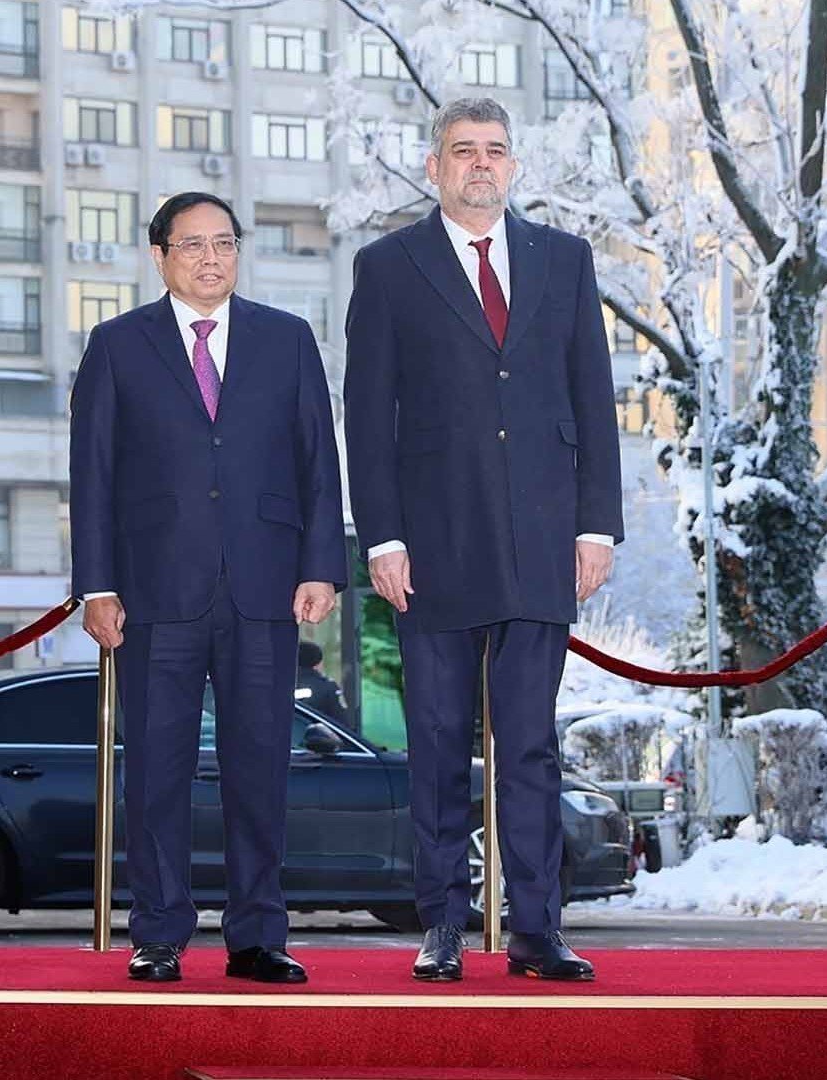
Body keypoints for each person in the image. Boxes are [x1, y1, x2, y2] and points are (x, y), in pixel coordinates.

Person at [344, 98, 624, 983]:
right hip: (432, 547)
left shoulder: (565, 262)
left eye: (495, 152)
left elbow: (593, 396)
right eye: (463, 152)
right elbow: (368, 414)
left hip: (543, 543)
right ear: (435, 167)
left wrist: (596, 523)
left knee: (532, 742)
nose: (480, 165)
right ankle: (441, 925)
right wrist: (381, 537)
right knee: (433, 740)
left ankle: (538, 929)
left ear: (513, 166)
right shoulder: (388, 267)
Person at [70, 191, 345, 985]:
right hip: (155, 592)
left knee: (260, 766)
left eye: (223, 242)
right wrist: (97, 586)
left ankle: (256, 934)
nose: (210, 258)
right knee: (156, 767)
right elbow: (93, 475)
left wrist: (321, 564)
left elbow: (317, 462)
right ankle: (158, 932)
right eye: (192, 245)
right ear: (159, 256)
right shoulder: (118, 346)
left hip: (265, 586)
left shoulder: (287, 340)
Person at [295, 641, 352, 736]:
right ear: (318, 663)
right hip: (313, 745)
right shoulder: (327, 687)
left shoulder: (278, 684)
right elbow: (341, 724)